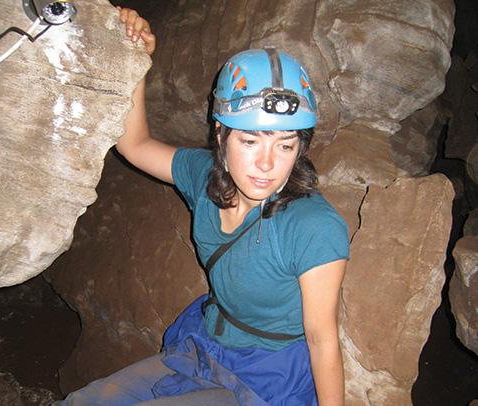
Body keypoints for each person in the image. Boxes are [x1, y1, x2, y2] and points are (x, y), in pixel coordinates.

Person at [58, 7, 349, 406]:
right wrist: (137, 56)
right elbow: (135, 145)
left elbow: (322, 339)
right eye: (250, 141)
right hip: (207, 345)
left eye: (285, 145)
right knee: (86, 400)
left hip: (269, 374)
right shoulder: (204, 175)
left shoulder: (312, 226)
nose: (267, 164)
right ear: (220, 133)